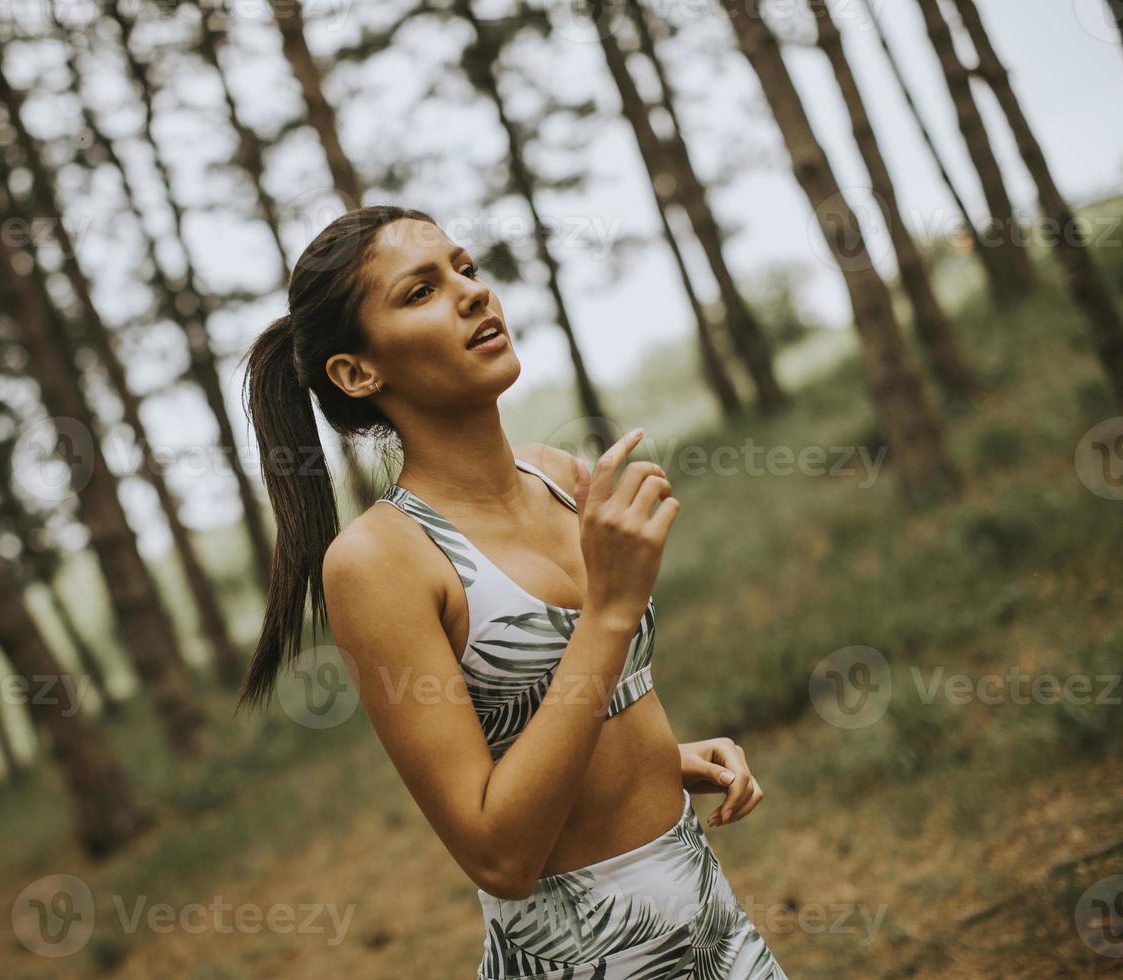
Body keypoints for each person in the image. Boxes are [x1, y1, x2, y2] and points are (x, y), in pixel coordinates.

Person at [239, 205, 786, 978]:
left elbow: (569, 717)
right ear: (358, 372)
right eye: (420, 291)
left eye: (465, 268)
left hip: (714, 929)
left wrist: (662, 759)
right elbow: (498, 854)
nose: (471, 293)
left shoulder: (558, 477)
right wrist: (609, 612)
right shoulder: (378, 560)